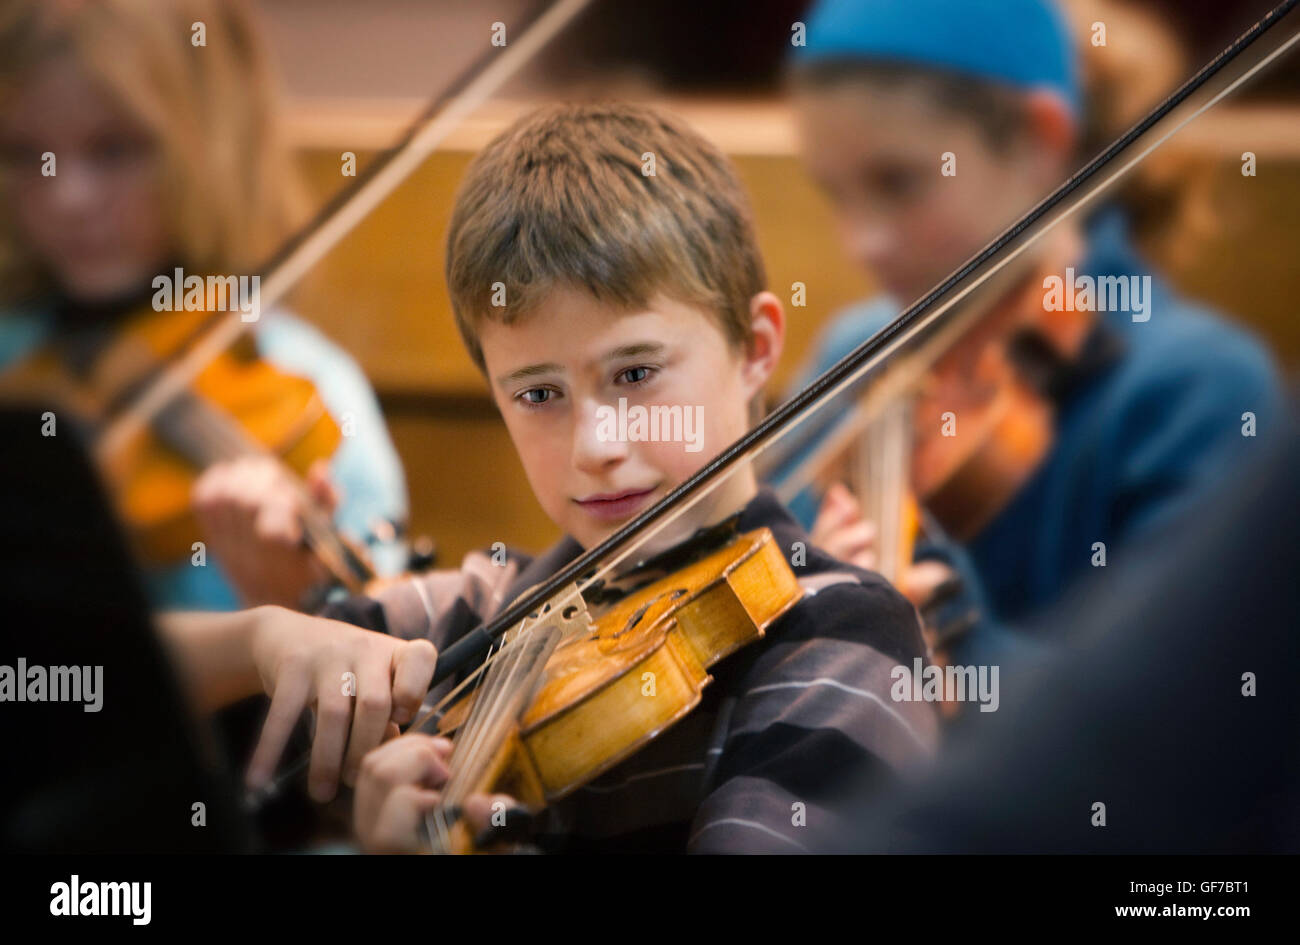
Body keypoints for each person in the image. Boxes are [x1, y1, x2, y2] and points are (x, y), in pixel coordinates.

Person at [203, 102, 940, 853]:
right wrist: (264, 636)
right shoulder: (485, 611)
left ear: (754, 347)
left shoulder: (840, 635)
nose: (596, 444)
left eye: (636, 372)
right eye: (539, 394)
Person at [775, 0, 1283, 670]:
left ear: (1042, 138)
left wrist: (963, 651)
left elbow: (1206, 710)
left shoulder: (1200, 387)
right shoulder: (857, 346)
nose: (861, 242)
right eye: (835, 194)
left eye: (898, 182)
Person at [0, 0, 408, 611]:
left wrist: (303, 604)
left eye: (115, 149)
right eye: (23, 154)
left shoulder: (305, 387)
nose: (68, 197)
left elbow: (372, 626)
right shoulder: (14, 346)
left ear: (215, 144)